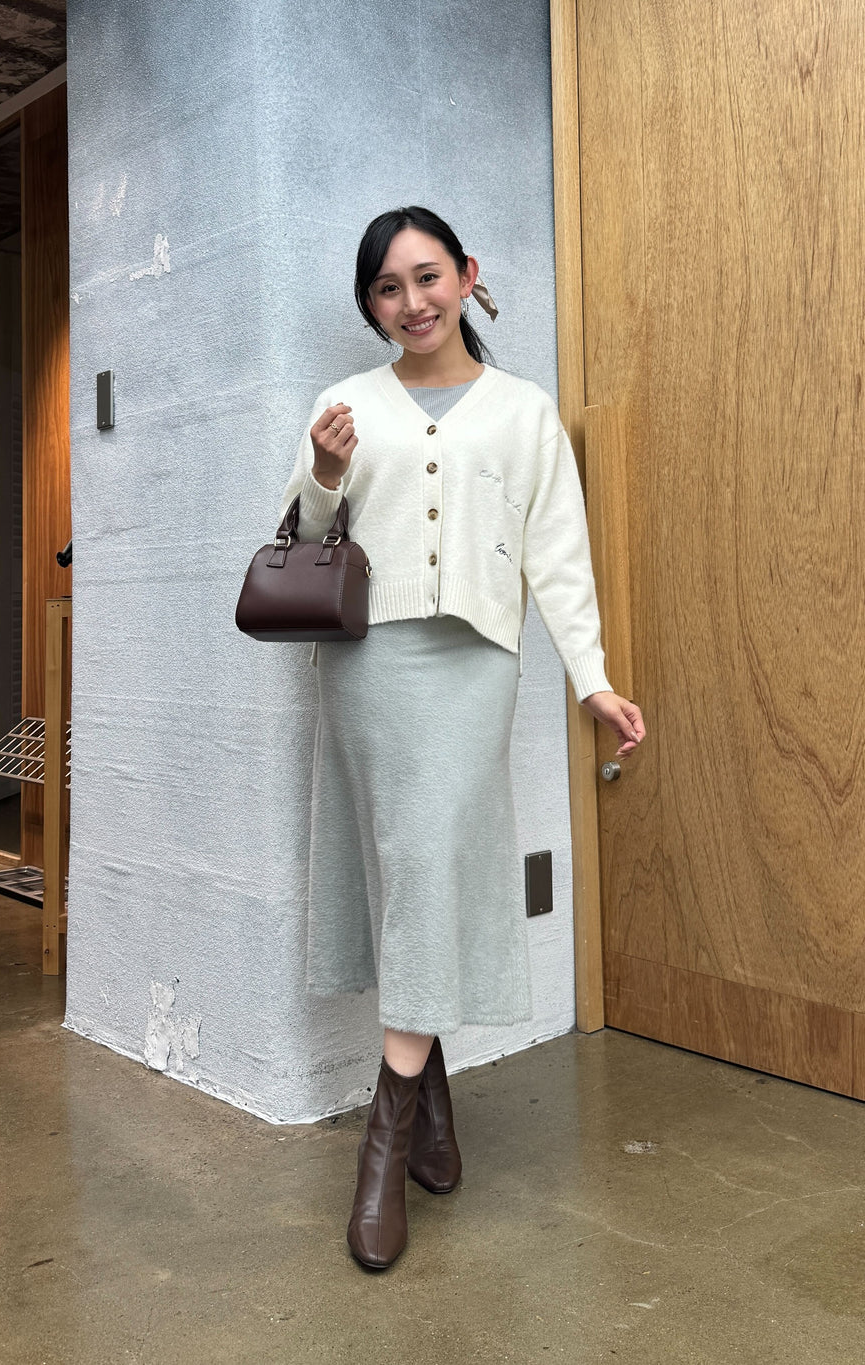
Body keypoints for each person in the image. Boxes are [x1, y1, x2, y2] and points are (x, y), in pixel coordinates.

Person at [278, 206, 646, 1270]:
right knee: (405, 872)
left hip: (476, 666)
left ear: (467, 275)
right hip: (369, 667)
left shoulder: (524, 412)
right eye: (387, 288)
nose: (412, 302)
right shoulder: (345, 402)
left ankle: (384, 1141)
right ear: (371, 304)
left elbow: (558, 556)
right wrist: (325, 474)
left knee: (432, 862)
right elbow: (301, 537)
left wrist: (591, 680)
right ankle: (429, 1111)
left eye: (428, 277)